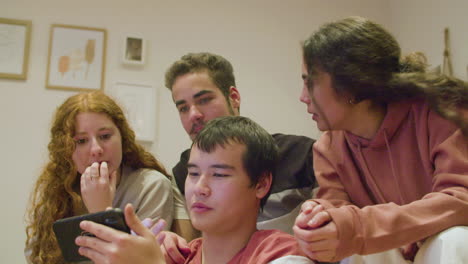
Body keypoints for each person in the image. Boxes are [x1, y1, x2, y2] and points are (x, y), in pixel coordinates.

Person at [294, 16, 468, 263]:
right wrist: (318, 225)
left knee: (455, 241)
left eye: (310, 83)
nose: (303, 97)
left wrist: (360, 227)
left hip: (445, 245)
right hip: (392, 256)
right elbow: (340, 218)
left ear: (352, 85)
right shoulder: (327, 148)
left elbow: (461, 200)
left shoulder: (440, 111)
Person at [75, 116, 314, 264]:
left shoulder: (283, 255)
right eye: (194, 173)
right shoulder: (179, 255)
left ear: (261, 184)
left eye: (219, 174)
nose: (200, 188)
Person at [166, 52, 316, 235]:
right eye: (183, 108)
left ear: (234, 97)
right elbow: (187, 251)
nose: (193, 115)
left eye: (204, 100)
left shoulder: (302, 154)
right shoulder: (182, 173)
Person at [25, 91, 176, 264]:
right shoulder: (57, 188)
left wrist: (101, 211)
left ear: (122, 137)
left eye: (105, 136)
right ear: (65, 150)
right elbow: (36, 256)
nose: (96, 149)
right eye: (81, 141)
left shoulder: (151, 186)